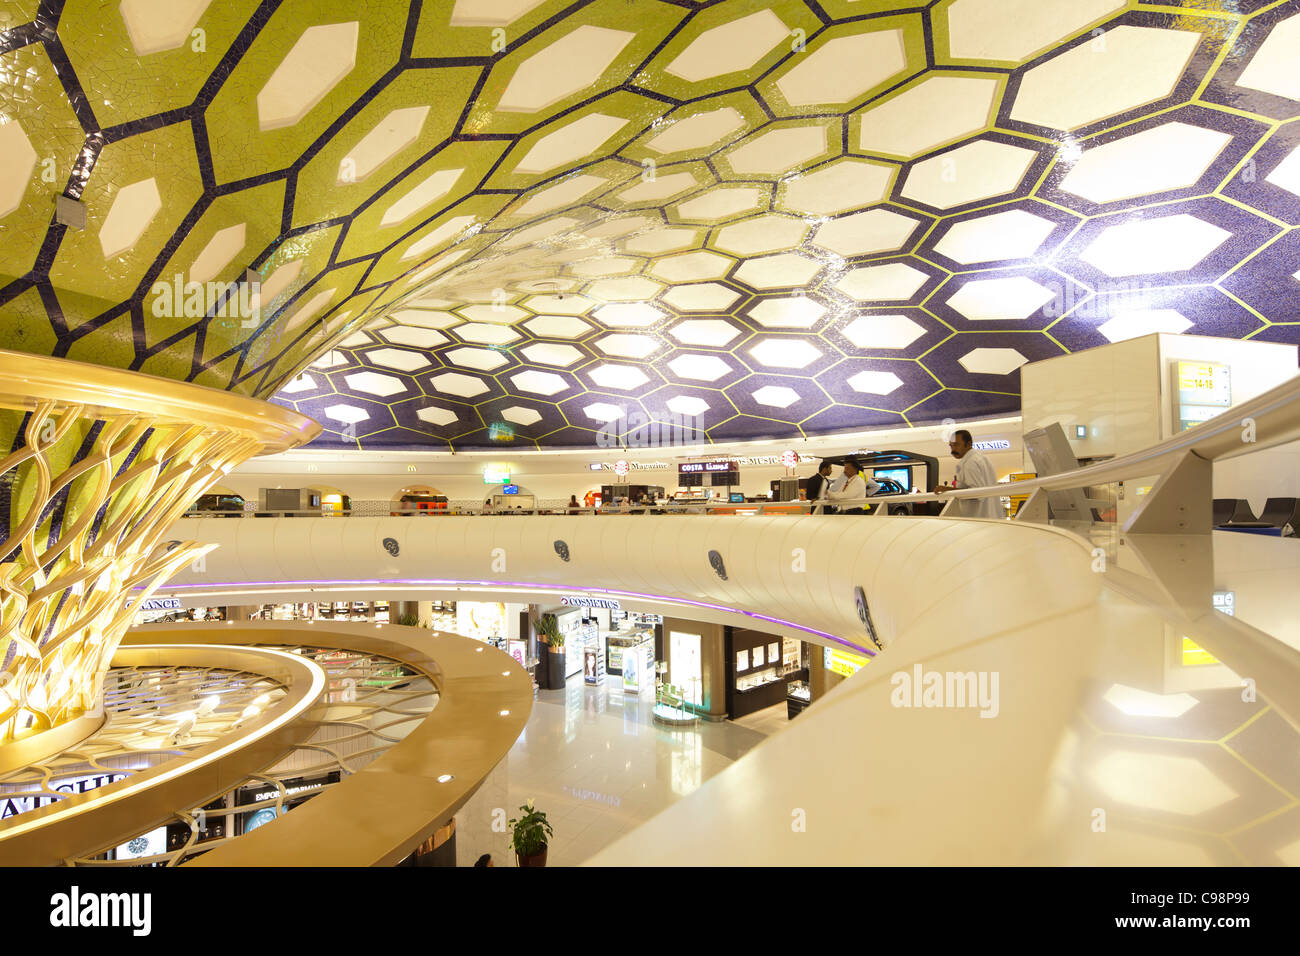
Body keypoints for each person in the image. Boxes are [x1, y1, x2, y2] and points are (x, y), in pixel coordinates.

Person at [935, 429, 1000, 518]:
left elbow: (976, 493)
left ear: (969, 444)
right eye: (951, 446)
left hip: (977, 518)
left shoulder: (970, 463)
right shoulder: (982, 458)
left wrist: (946, 489)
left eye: (957, 445)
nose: (953, 450)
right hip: (990, 516)